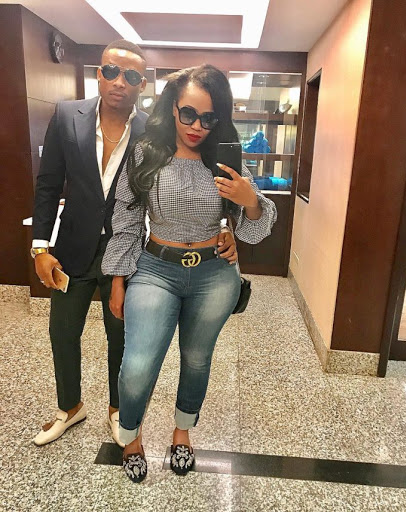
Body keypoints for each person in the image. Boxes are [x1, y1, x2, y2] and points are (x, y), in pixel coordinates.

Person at [31, 39, 237, 449]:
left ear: (142, 84)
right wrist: (40, 246)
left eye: (130, 75)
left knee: (123, 343)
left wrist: (226, 226)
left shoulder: (154, 132)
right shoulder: (67, 116)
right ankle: (69, 407)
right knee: (62, 333)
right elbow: (49, 184)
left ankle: (117, 411)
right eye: (110, 71)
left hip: (131, 254)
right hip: (72, 250)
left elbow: (195, 190)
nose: (118, 82)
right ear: (98, 72)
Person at [101, 64, 277, 482]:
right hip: (155, 269)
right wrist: (118, 280)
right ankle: (131, 437)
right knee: (138, 363)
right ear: (172, 108)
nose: (198, 126)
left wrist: (250, 200)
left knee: (197, 359)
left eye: (208, 117)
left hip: (214, 275)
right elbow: (126, 220)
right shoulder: (146, 152)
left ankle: (182, 433)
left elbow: (254, 229)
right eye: (189, 114)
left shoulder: (226, 158)